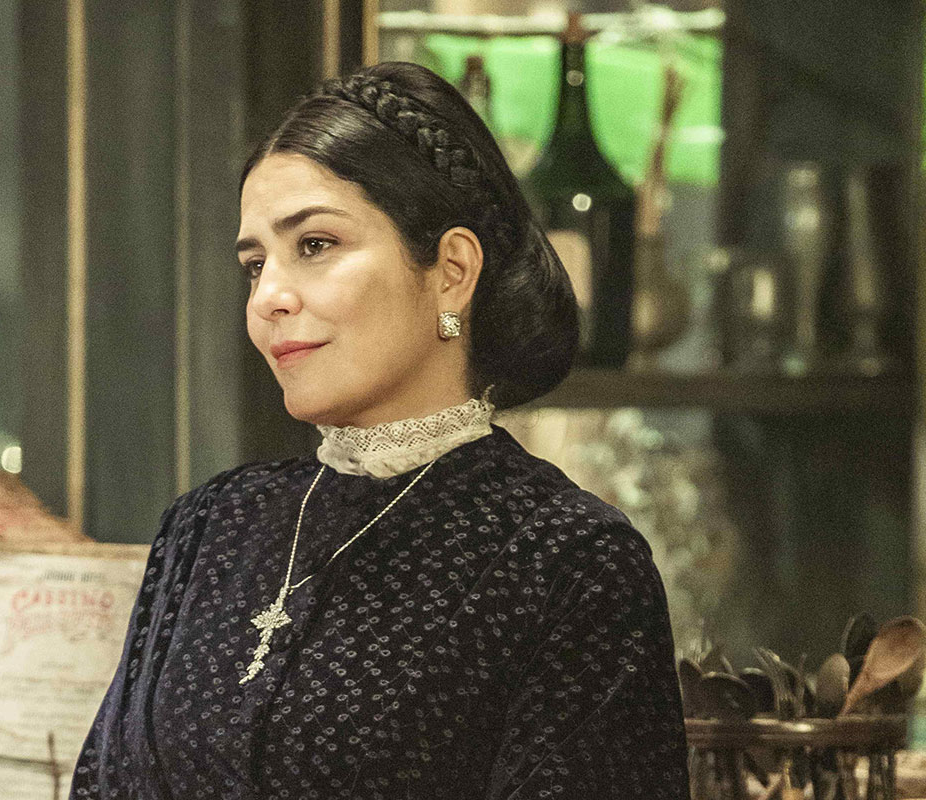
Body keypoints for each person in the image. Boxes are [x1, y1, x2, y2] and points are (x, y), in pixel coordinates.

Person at [71, 61, 690, 799]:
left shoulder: (567, 560)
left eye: (315, 245)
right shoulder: (209, 525)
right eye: (255, 264)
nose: (268, 297)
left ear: (452, 271)